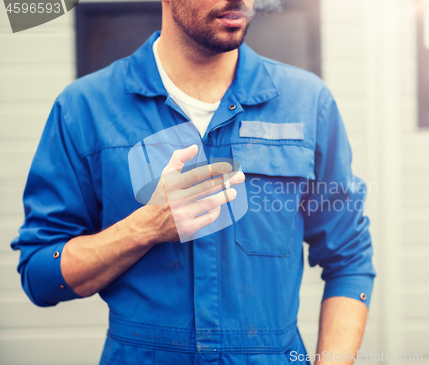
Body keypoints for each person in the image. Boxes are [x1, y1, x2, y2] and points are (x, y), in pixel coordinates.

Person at [11, 0, 376, 364]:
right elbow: (41, 274)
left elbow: (349, 259)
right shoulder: (85, 108)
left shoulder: (306, 102)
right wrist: (146, 227)